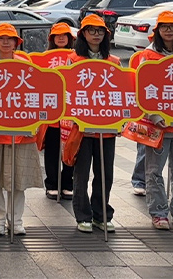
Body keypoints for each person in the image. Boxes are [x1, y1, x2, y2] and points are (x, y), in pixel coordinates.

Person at [0, 24, 41, 235]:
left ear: (16, 42)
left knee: (18, 179)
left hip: (21, 132)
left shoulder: (26, 65)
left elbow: (38, 96)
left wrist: (35, 123)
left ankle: (17, 219)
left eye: (10, 38)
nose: (5, 42)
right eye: (0, 38)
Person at [135, 11, 173, 231]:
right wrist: (153, 115)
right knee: (153, 171)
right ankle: (158, 212)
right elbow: (139, 88)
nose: (168, 30)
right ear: (158, 31)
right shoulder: (148, 56)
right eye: (164, 27)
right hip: (157, 126)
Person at [68, 14, 122, 234]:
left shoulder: (115, 62)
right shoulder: (72, 60)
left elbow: (122, 92)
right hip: (81, 128)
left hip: (107, 128)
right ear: (83, 34)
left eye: (100, 31)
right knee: (81, 174)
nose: (96, 34)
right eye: (92, 31)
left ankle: (102, 214)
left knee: (105, 173)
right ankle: (83, 215)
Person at [42, 22, 76, 201]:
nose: (61, 38)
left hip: (71, 113)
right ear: (52, 38)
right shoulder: (44, 58)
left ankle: (68, 183)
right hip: (52, 113)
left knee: (70, 148)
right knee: (53, 149)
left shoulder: (77, 57)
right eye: (57, 35)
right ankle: (52, 184)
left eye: (65, 35)